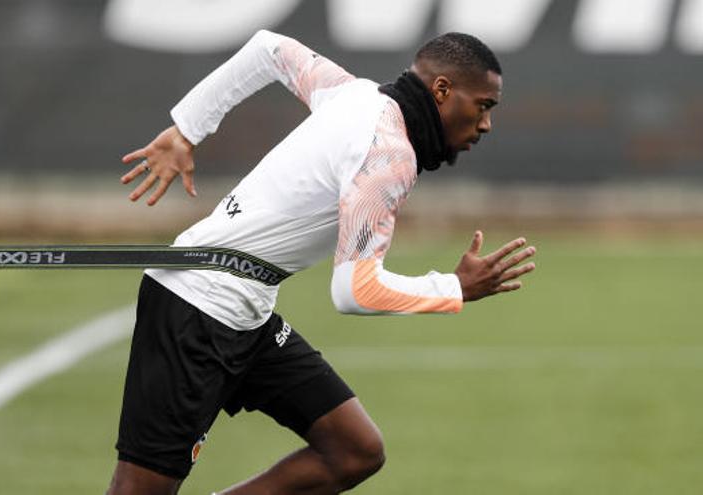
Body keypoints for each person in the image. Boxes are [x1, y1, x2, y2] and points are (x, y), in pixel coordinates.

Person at [108, 29, 536, 495]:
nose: (486, 124)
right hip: (197, 308)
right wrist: (453, 288)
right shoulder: (388, 155)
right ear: (442, 91)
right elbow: (355, 290)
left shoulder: (354, 94)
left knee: (354, 450)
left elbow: (269, 49)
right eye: (483, 106)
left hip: (244, 309)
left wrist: (188, 127)